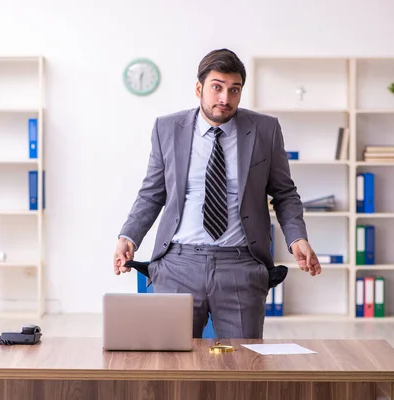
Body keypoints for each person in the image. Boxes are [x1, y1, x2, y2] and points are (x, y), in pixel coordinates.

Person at [113, 48, 322, 339]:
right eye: (217, 88)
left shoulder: (265, 129)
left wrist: (297, 238)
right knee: (173, 370)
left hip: (240, 266)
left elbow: (285, 194)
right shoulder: (167, 128)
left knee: (242, 369)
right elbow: (152, 192)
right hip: (177, 265)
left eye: (234, 90)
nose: (225, 98)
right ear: (199, 88)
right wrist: (129, 236)